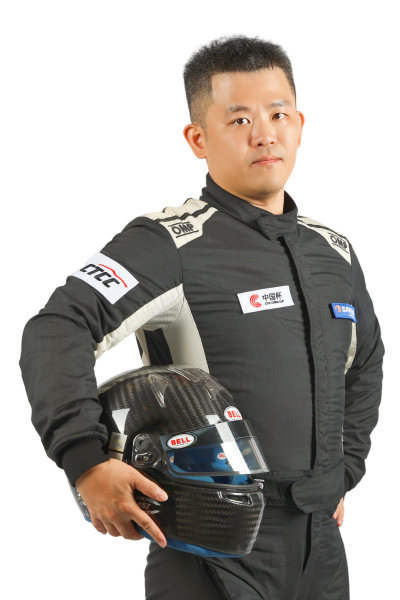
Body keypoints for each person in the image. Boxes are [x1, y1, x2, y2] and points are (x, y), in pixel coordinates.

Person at [19, 33, 384, 599]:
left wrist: (345, 472)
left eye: (278, 114)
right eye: (239, 120)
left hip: (322, 552)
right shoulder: (167, 243)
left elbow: (365, 366)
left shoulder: (334, 252)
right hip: (209, 546)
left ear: (301, 124)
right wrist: (85, 461)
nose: (264, 134)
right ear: (197, 139)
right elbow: (56, 329)